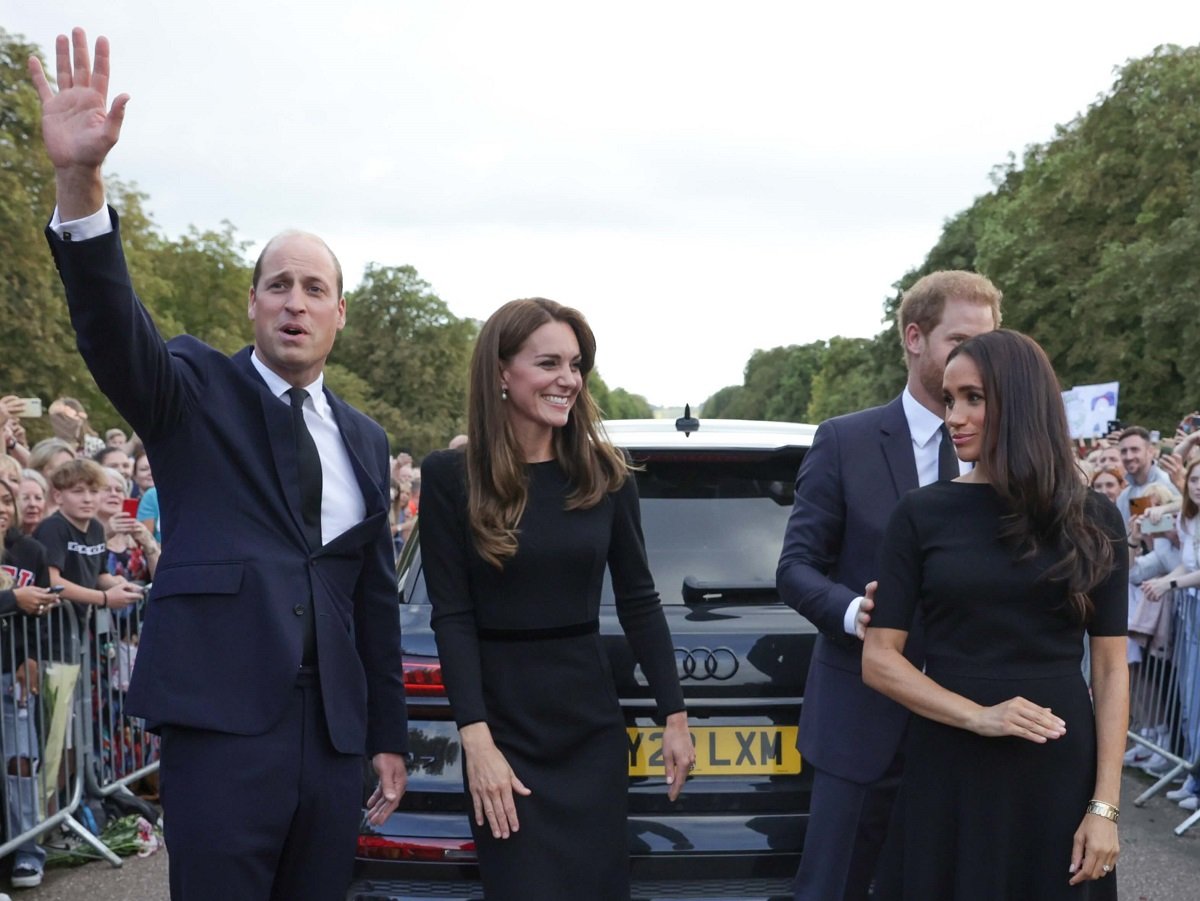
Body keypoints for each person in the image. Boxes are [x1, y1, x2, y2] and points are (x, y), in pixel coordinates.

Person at [30, 29, 407, 901]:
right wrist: (80, 184)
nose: (294, 302)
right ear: (252, 303)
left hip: (334, 738)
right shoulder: (193, 389)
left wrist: (386, 733)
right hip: (223, 727)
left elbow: (373, 598)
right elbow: (113, 329)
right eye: (278, 284)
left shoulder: (364, 438)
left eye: (314, 289)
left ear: (340, 315)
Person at [420, 297, 692, 900]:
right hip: (503, 734)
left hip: (589, 731)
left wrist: (673, 715)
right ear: (501, 371)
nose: (568, 379)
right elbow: (452, 617)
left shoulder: (606, 475)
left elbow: (639, 601)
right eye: (549, 363)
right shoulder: (450, 478)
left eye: (575, 365)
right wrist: (477, 741)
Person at [862, 329, 1128, 898]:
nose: (953, 416)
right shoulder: (921, 515)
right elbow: (879, 659)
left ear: (1020, 402)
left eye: (973, 398)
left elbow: (1110, 669)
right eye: (949, 399)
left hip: (1057, 772)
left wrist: (1105, 806)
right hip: (950, 766)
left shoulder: (1094, 519)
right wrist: (978, 716)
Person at [777, 270, 1001, 900]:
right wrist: (857, 614)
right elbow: (795, 568)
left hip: (971, 723)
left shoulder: (1008, 453)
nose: (974, 357)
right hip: (862, 724)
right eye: (959, 340)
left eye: (985, 342)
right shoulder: (845, 441)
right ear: (914, 338)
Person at [0, 479, 61, 888]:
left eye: (6, 500)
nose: (2, 507)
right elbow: (19, 602)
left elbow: (41, 614)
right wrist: (11, 600)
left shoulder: (32, 551)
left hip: (13, 670)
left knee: (21, 762)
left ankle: (26, 851)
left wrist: (33, 658)